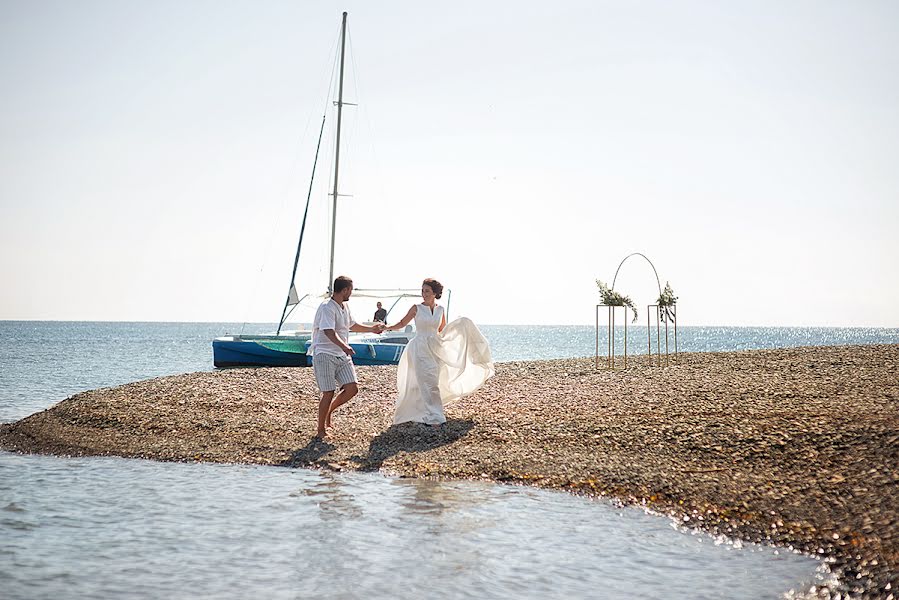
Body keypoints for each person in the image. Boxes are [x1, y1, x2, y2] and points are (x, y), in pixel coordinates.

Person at [385, 278, 494, 426]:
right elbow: (402, 323)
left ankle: (426, 410)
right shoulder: (416, 308)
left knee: (433, 380)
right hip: (420, 347)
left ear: (435, 293)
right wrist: (385, 328)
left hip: (435, 347)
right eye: (422, 291)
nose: (424, 294)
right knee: (427, 380)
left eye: (427, 291)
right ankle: (435, 415)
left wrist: (460, 328)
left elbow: (442, 329)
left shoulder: (440, 309)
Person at [311, 275, 385, 438]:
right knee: (328, 392)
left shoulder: (344, 306)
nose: (351, 292)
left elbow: (352, 325)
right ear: (344, 290)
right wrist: (344, 346)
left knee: (352, 388)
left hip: (341, 354)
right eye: (350, 289)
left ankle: (329, 411)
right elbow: (328, 331)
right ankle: (320, 430)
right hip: (324, 353)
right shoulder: (327, 307)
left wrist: (372, 329)